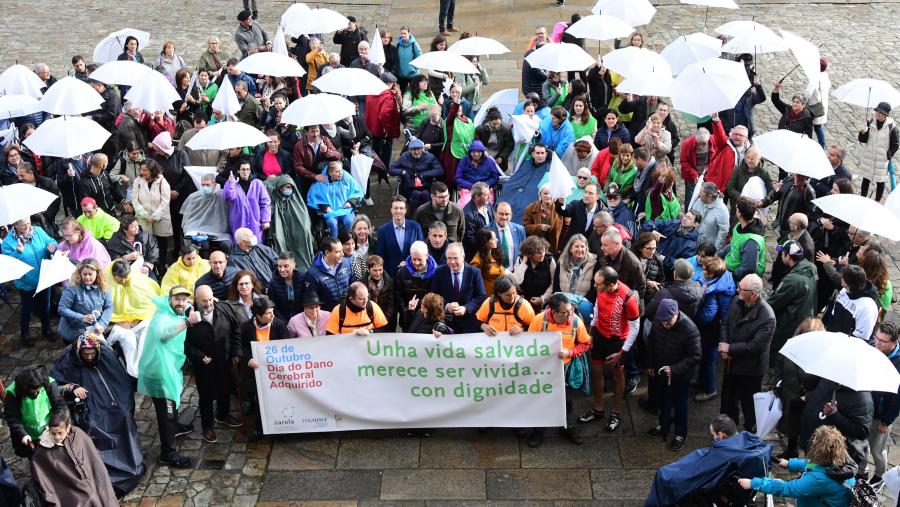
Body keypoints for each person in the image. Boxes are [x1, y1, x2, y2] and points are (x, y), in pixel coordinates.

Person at [49, 333, 145, 494]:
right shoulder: (67, 361)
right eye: (85, 354)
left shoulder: (106, 355)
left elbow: (119, 379)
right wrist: (72, 388)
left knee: (123, 417)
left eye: (92, 354)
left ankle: (131, 460)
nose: (89, 357)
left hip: (113, 403)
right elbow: (54, 386)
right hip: (91, 407)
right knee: (94, 426)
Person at [137, 285, 201, 468]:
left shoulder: (176, 312)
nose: (181, 303)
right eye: (177, 299)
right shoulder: (162, 316)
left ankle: (175, 426)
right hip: (159, 373)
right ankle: (168, 453)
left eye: (184, 299)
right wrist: (188, 322)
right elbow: (163, 334)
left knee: (172, 402)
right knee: (166, 410)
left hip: (168, 369)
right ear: (169, 299)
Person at [579, 266, 641, 432]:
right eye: (595, 283)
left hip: (617, 341)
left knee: (617, 376)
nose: (595, 287)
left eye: (599, 285)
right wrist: (591, 332)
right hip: (600, 335)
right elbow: (598, 308)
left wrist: (622, 352)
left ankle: (616, 412)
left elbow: (635, 327)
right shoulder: (601, 289)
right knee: (596, 371)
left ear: (612, 284)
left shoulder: (628, 298)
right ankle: (598, 409)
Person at [525, 293, 591, 447]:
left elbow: (586, 343)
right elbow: (528, 344)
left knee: (566, 402)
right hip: (542, 371)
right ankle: (539, 431)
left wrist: (571, 352)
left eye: (571, 310)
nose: (569, 315)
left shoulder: (575, 321)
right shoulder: (539, 320)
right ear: (553, 312)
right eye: (565, 312)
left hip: (565, 370)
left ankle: (566, 427)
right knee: (541, 401)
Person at [738, 425, 856, 505]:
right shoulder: (839, 464)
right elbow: (815, 466)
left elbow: (786, 488)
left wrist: (754, 483)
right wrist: (790, 463)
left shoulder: (819, 480)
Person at [718, 273, 776, 432]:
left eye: (741, 289)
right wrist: (724, 344)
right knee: (728, 401)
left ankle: (750, 435)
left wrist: (729, 349)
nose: (737, 290)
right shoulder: (737, 301)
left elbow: (755, 346)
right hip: (731, 364)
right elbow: (726, 323)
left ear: (754, 294)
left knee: (749, 406)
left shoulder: (767, 317)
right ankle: (726, 430)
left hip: (750, 370)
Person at [186, 285, 243, 443]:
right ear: (196, 300)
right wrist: (198, 356)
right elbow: (184, 344)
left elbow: (236, 329)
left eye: (210, 299)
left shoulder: (224, 308)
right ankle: (207, 426)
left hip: (225, 359)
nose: (209, 304)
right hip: (204, 364)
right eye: (204, 301)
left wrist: (236, 352)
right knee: (206, 395)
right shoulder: (188, 317)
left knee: (225, 388)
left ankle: (223, 415)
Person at [29, 410, 118, 506]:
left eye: (60, 433)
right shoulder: (44, 450)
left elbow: (94, 460)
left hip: (91, 477)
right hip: (69, 487)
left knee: (104, 493)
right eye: (53, 433)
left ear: (68, 428)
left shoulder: (78, 435)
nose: (57, 437)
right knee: (88, 498)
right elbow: (44, 475)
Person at [645, 299, 701, 451]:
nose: (665, 325)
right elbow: (652, 342)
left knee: (680, 404)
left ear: (676, 314)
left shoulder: (689, 329)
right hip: (661, 370)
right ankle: (663, 423)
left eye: (668, 322)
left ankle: (680, 433)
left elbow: (695, 356)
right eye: (663, 321)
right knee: (662, 399)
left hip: (680, 375)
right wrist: (650, 363)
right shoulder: (659, 320)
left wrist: (674, 369)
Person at [1, 217, 58, 345]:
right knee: (27, 309)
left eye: (28, 223)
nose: (27, 227)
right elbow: (9, 264)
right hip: (26, 282)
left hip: (44, 277)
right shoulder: (8, 242)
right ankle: (25, 334)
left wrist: (52, 246)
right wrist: (18, 252)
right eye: (23, 225)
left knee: (46, 306)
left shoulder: (38, 230)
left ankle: (46, 329)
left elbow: (51, 241)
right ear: (15, 224)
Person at [767, 240, 818, 369]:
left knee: (777, 352)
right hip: (805, 318)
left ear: (788, 256)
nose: (780, 255)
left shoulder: (792, 280)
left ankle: (773, 375)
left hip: (789, 322)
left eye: (782, 253)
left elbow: (774, 303)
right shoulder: (811, 268)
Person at [692, 256, 735, 403]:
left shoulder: (712, 292)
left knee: (708, 359)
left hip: (714, 329)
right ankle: (701, 381)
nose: (702, 271)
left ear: (711, 275)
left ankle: (710, 390)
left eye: (704, 270)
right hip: (717, 326)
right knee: (704, 358)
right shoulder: (723, 277)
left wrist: (695, 310)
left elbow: (707, 317)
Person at [3, 365, 67, 458]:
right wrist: (22, 434)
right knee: (35, 458)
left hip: (49, 430)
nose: (36, 393)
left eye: (38, 390)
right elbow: (12, 418)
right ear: (25, 388)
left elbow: (59, 406)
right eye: (33, 392)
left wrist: (57, 425)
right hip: (28, 435)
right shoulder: (13, 393)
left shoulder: (48, 383)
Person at [430, 242, 487, 333]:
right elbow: (433, 296)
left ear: (463, 257)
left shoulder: (474, 272)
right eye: (449, 258)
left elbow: (481, 296)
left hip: (470, 324)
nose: (452, 262)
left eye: (455, 258)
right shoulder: (439, 272)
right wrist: (447, 306)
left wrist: (466, 308)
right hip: (447, 324)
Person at [266, 174, 315, 271]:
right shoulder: (274, 201)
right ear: (279, 188)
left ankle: (302, 266)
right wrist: (274, 180)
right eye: (286, 187)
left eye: (291, 187)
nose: (289, 189)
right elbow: (263, 185)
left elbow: (304, 221)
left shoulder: (297, 202)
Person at [58, 259, 112, 343]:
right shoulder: (72, 288)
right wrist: (81, 317)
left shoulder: (102, 287)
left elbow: (109, 306)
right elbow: (62, 309)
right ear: (80, 274)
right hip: (73, 331)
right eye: (84, 274)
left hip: (94, 329)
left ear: (97, 274)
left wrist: (102, 323)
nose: (87, 277)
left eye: (90, 274)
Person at [823, 264, 880, 342]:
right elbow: (833, 315)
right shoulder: (844, 291)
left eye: (842, 277)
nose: (841, 279)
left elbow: (861, 339)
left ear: (847, 283)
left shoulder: (867, 307)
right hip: (833, 341)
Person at [307, 160, 364, 238]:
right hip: (330, 211)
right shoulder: (321, 182)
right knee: (332, 224)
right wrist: (325, 207)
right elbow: (315, 197)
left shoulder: (346, 177)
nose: (341, 173)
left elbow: (357, 191)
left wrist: (350, 202)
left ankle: (351, 242)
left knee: (350, 222)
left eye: (341, 170)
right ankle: (334, 245)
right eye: (337, 172)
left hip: (345, 209)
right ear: (330, 173)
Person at [132, 159, 173, 262]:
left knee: (161, 242)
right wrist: (146, 215)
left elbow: (165, 202)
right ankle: (148, 264)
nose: (142, 172)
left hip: (160, 218)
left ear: (152, 170)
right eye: (141, 169)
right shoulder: (137, 181)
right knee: (146, 242)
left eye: (145, 170)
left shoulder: (162, 182)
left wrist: (154, 216)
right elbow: (135, 201)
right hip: (144, 218)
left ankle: (162, 264)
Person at [499, 143, 551, 224]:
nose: (540, 156)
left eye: (542, 153)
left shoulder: (549, 168)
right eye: (537, 153)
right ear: (533, 154)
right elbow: (516, 180)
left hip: (532, 199)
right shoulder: (527, 164)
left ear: (546, 154)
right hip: (516, 194)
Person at [179, 172, 232, 252]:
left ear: (214, 185)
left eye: (207, 185)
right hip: (198, 230)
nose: (204, 187)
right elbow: (187, 217)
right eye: (203, 185)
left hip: (218, 231)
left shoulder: (222, 195)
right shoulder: (194, 197)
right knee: (204, 245)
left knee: (226, 245)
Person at [374, 195, 424, 277]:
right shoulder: (383, 230)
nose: (398, 211)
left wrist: (408, 263)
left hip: (414, 273)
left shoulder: (415, 227)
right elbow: (380, 255)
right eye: (395, 208)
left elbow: (422, 251)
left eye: (401, 208)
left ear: (405, 210)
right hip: (391, 275)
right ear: (391, 210)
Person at [858, 101, 899, 202]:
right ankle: (862, 199)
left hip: (882, 160)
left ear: (885, 115)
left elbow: (896, 144)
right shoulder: (870, 123)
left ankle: (877, 200)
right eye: (877, 111)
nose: (877, 114)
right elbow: (863, 140)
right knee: (865, 179)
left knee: (880, 181)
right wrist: (862, 132)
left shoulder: (892, 128)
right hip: (869, 157)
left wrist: (888, 155)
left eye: (880, 113)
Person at [222, 161, 271, 244]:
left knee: (255, 244)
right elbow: (229, 197)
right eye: (243, 169)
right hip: (239, 220)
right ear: (238, 171)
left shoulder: (257, 183)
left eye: (248, 169)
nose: (245, 172)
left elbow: (265, 202)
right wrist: (231, 184)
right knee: (240, 244)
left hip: (255, 221)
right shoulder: (232, 182)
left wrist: (265, 220)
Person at [389, 138, 443, 211]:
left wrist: (425, 174)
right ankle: (414, 214)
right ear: (410, 150)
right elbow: (391, 169)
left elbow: (439, 170)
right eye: (414, 149)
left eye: (418, 149)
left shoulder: (429, 157)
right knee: (415, 194)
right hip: (409, 187)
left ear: (422, 149)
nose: (416, 152)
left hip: (426, 186)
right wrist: (402, 171)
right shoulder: (404, 156)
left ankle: (427, 214)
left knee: (425, 194)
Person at [760, 174, 816, 243]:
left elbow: (810, 215)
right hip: (779, 225)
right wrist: (763, 202)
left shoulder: (809, 192)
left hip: (792, 230)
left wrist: (797, 231)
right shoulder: (787, 180)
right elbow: (775, 194)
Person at [721, 197, 766, 283]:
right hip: (731, 265)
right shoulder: (739, 226)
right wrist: (719, 254)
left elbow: (748, 268)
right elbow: (733, 245)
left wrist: (731, 274)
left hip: (740, 276)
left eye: (737, 208)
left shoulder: (751, 241)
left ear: (739, 214)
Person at [304, 237, 354, 312]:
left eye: (342, 251)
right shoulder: (312, 274)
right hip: (328, 317)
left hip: (348, 312)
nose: (342, 254)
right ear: (327, 253)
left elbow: (354, 284)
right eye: (338, 252)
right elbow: (311, 302)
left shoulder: (346, 263)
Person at [705, 114, 751, 193]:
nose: (737, 137)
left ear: (746, 138)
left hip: (737, 184)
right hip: (721, 183)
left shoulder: (750, 150)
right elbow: (720, 135)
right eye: (735, 134)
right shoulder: (725, 144)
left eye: (740, 135)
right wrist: (716, 122)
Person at [523, 184, 564, 256]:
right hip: (535, 249)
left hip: (554, 249)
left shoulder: (560, 208)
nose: (548, 196)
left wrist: (561, 247)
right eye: (545, 193)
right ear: (540, 195)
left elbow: (566, 229)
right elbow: (525, 227)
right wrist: (539, 227)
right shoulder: (531, 208)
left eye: (550, 193)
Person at [680, 127, 715, 208]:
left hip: (707, 175)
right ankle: (688, 214)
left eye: (704, 143)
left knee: (706, 196)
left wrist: (709, 167)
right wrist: (694, 174)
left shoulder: (713, 140)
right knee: (690, 197)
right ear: (695, 138)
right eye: (699, 143)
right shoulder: (687, 143)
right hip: (691, 176)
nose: (701, 146)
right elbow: (683, 162)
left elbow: (716, 157)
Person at [688, 182, 729, 249]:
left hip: (706, 248)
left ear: (709, 196)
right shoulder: (699, 201)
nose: (699, 194)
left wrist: (715, 250)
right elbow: (692, 215)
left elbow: (723, 233)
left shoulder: (722, 211)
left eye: (701, 192)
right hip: (692, 241)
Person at [475, 108, 515, 172]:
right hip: (484, 157)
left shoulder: (506, 129)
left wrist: (502, 156)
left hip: (499, 158)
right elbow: (476, 143)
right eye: (494, 124)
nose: (496, 126)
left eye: (499, 124)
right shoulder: (481, 129)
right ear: (489, 121)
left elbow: (509, 145)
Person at [363, 255, 397, 330]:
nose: (378, 273)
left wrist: (383, 320)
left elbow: (392, 304)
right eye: (375, 270)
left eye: (380, 270)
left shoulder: (390, 282)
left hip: (387, 322)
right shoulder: (362, 284)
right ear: (368, 269)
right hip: (369, 322)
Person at [470, 227, 505, 296]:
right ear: (485, 242)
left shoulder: (495, 254)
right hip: (488, 298)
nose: (497, 240)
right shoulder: (477, 262)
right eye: (493, 239)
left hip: (499, 294)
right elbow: (473, 284)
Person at [462, 182, 495, 255]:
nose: (489, 197)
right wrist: (486, 246)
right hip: (477, 253)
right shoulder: (468, 214)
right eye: (486, 195)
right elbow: (470, 238)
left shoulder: (488, 205)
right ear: (477, 197)